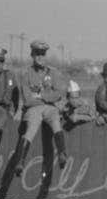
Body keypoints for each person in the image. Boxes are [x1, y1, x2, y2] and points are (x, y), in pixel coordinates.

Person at [11, 39, 67, 176]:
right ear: (32, 55)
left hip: (49, 108)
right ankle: (20, 161)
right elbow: (28, 100)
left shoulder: (53, 73)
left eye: (42, 54)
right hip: (33, 109)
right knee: (30, 130)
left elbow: (58, 93)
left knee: (55, 122)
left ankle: (62, 154)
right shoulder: (26, 73)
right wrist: (45, 97)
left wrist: (40, 96)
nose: (40, 57)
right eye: (37, 54)